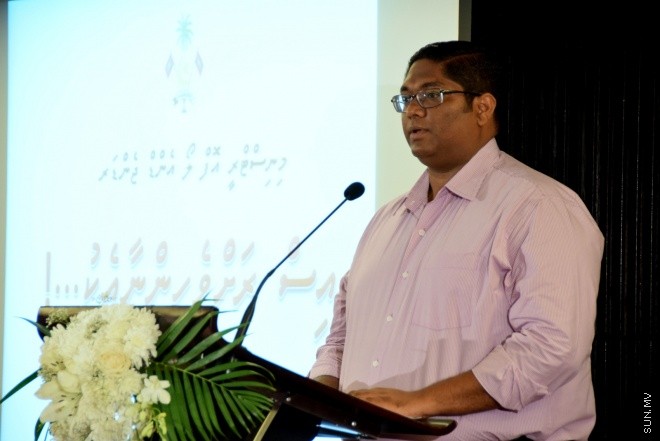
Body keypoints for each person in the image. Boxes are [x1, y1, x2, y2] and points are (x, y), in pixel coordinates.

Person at [309, 41, 604, 441]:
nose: (413, 111)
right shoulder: (385, 221)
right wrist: (316, 397)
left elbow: (551, 347)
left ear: (482, 107)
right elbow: (341, 337)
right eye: (406, 98)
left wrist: (419, 403)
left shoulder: (539, 206)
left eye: (430, 95)